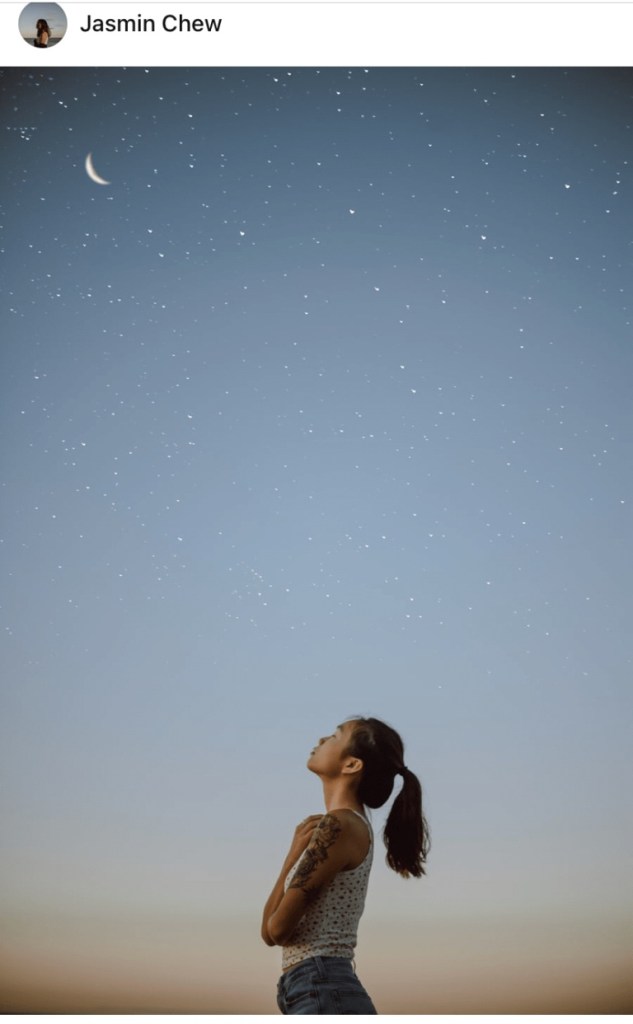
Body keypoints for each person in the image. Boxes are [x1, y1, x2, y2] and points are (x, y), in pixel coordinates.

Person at [261, 715, 430, 1014]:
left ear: (351, 764)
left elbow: (278, 929)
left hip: (323, 988)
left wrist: (293, 859)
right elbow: (269, 934)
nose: (321, 739)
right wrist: (293, 855)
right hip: (315, 988)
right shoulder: (345, 825)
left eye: (335, 736)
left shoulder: (340, 825)